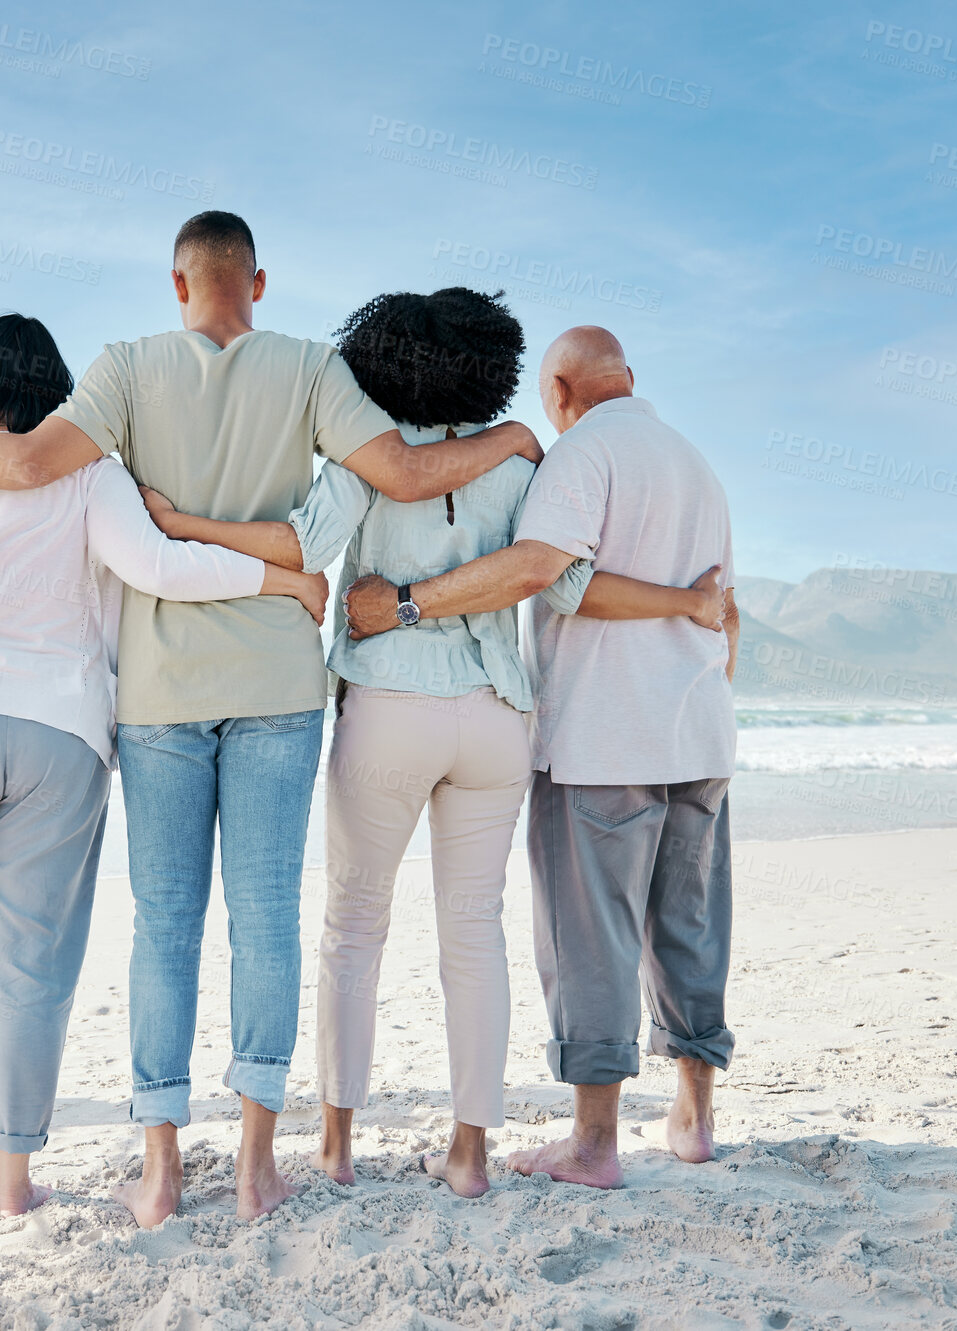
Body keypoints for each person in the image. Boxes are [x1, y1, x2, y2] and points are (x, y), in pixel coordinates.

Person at [0, 212, 547, 1225]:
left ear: (176, 285)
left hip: (156, 691)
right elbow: (399, 475)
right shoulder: (313, 369)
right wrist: (512, 437)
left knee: (163, 925)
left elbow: (21, 466)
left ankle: (159, 1168)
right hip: (275, 682)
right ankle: (261, 1165)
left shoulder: (125, 369)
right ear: (256, 283)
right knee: (265, 918)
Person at [141, 291, 725, 1197]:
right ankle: (469, 1156)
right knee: (474, 934)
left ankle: (334, 1149)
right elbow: (564, 584)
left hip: (387, 705)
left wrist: (182, 524)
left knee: (352, 931)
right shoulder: (524, 466)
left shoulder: (364, 463)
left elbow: (298, 548)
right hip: (496, 717)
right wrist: (689, 604)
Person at [0, 313, 327, 1224]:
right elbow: (158, 566)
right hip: (62, 739)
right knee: (34, 968)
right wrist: (280, 581)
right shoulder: (89, 472)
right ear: (60, 390)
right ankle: (13, 1181)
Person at [345, 324, 739, 1189]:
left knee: (590, 936)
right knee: (690, 925)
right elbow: (725, 610)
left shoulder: (580, 456)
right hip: (701, 731)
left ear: (559, 390)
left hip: (606, 735)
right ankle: (695, 1117)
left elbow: (537, 570)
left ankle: (595, 1144)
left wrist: (404, 604)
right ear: (629, 378)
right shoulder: (697, 466)